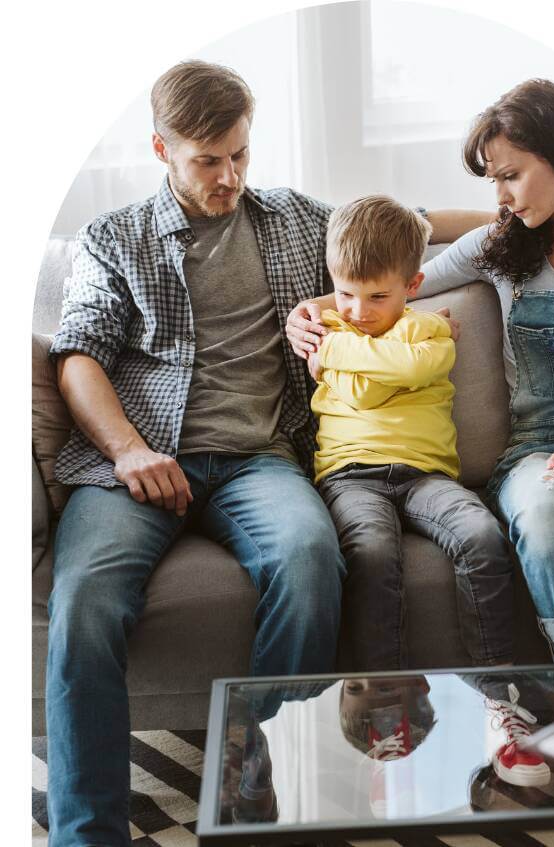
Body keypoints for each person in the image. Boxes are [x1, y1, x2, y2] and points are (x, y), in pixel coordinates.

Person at [44, 60, 488, 845]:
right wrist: (129, 451)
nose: (229, 176)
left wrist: (512, 218)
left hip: (259, 458)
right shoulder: (113, 238)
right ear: (161, 148)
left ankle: (254, 789)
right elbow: (77, 356)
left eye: (240, 154)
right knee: (83, 603)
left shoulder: (291, 220)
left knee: (310, 559)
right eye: (207, 160)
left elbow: (401, 226)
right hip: (138, 462)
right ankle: (88, 834)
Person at [288, 79, 554, 664]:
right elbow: (398, 284)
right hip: (536, 446)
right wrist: (308, 310)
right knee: (544, 515)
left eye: (511, 176)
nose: (501, 197)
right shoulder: (503, 245)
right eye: (493, 182)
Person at [310, 195, 513, 671]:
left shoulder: (430, 330)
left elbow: (413, 367)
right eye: (345, 294)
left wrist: (333, 353)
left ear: (413, 285)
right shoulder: (330, 325)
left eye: (378, 297)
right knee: (371, 554)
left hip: (428, 475)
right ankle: (385, 687)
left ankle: (498, 681)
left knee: (482, 535)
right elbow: (363, 393)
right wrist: (386, 358)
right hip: (349, 475)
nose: (358, 311)